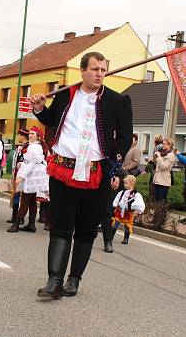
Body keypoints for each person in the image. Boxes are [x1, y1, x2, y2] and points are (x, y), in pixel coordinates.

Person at [29, 51, 133, 299]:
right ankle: (54, 281)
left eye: (103, 70)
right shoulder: (66, 94)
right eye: (95, 69)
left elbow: (125, 138)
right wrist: (40, 108)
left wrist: (113, 163)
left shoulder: (117, 101)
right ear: (83, 71)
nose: (99, 74)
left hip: (96, 174)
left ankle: (73, 279)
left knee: (86, 230)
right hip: (63, 170)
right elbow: (51, 119)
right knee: (61, 227)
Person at [8, 126, 49, 233]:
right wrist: (22, 164)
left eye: (32, 134)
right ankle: (31, 225)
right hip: (35, 174)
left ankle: (16, 224)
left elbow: (32, 163)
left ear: (38, 137)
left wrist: (21, 176)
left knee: (25, 199)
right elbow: (36, 161)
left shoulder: (34, 147)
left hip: (32, 175)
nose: (30, 135)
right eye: (29, 133)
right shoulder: (37, 146)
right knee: (31, 200)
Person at [111, 174, 145, 245]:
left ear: (132, 183)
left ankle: (126, 238)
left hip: (128, 212)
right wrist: (114, 205)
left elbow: (139, 202)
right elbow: (117, 199)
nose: (124, 185)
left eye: (126, 183)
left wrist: (136, 209)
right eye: (124, 183)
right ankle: (111, 236)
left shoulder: (136, 194)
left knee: (127, 226)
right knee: (115, 224)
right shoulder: (121, 192)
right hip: (119, 211)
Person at [7, 128, 30, 225]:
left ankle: (19, 217)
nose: (18, 137)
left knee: (19, 195)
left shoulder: (26, 147)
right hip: (16, 173)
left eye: (19, 135)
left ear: (23, 136)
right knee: (15, 195)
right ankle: (15, 215)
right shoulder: (21, 147)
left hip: (21, 175)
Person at [152, 138, 177, 204]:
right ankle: (157, 213)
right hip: (157, 179)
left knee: (161, 200)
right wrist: (156, 157)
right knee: (156, 200)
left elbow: (164, 167)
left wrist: (159, 157)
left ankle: (161, 213)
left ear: (169, 145)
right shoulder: (162, 153)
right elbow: (157, 164)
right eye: (163, 143)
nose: (163, 145)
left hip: (164, 181)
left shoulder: (170, 156)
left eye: (164, 144)